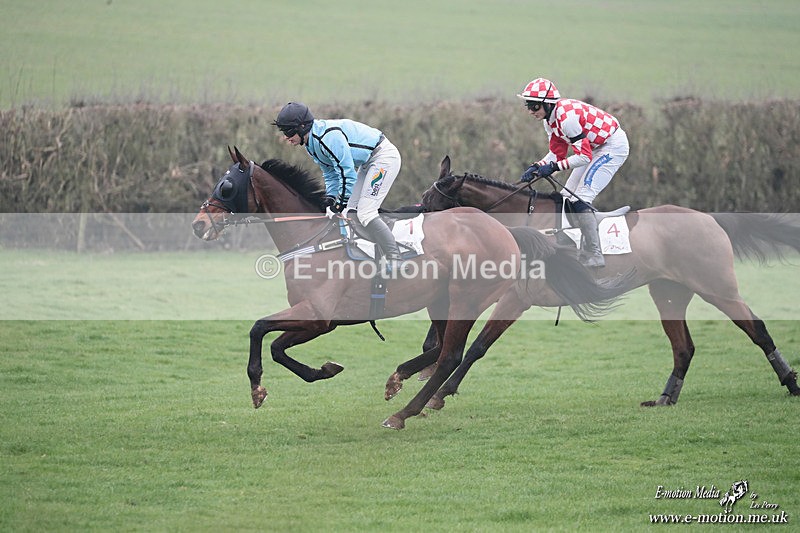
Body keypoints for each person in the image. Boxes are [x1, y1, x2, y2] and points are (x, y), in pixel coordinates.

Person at [273, 102, 404, 274]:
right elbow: (331, 175)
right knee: (350, 211)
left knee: (366, 213)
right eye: (284, 132)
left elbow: (347, 174)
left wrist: (338, 204)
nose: (286, 137)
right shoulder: (311, 144)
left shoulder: (327, 138)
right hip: (368, 163)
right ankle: (369, 255)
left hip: (383, 158)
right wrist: (330, 200)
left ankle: (395, 258)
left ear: (302, 127)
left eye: (289, 131)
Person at [517, 78, 629, 267]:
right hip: (594, 148)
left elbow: (583, 157)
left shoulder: (567, 119)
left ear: (547, 103)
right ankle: (570, 245)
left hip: (611, 146)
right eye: (528, 105)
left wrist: (553, 168)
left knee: (581, 197)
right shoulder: (550, 121)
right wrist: (537, 166)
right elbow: (557, 153)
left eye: (534, 106)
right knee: (566, 196)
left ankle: (595, 254)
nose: (530, 111)